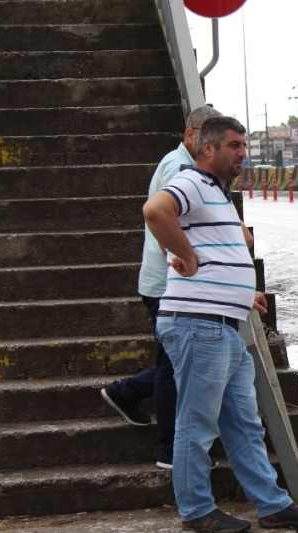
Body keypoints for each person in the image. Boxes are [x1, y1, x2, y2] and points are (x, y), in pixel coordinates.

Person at [143, 116, 298, 533]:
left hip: (224, 324)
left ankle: (273, 505)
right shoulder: (191, 181)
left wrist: (241, 292)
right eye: (232, 145)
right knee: (197, 424)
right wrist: (185, 256)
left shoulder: (216, 193)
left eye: (243, 145)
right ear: (207, 148)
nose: (241, 152)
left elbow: (214, 253)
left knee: (244, 423)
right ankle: (196, 510)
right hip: (197, 324)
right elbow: (155, 211)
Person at [100, 106, 228, 469]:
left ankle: (123, 393)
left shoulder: (188, 166)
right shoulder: (180, 169)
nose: (211, 145)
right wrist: (186, 261)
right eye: (207, 136)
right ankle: (171, 452)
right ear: (191, 136)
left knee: (174, 362)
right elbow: (162, 222)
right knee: (175, 368)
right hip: (168, 286)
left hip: (166, 284)